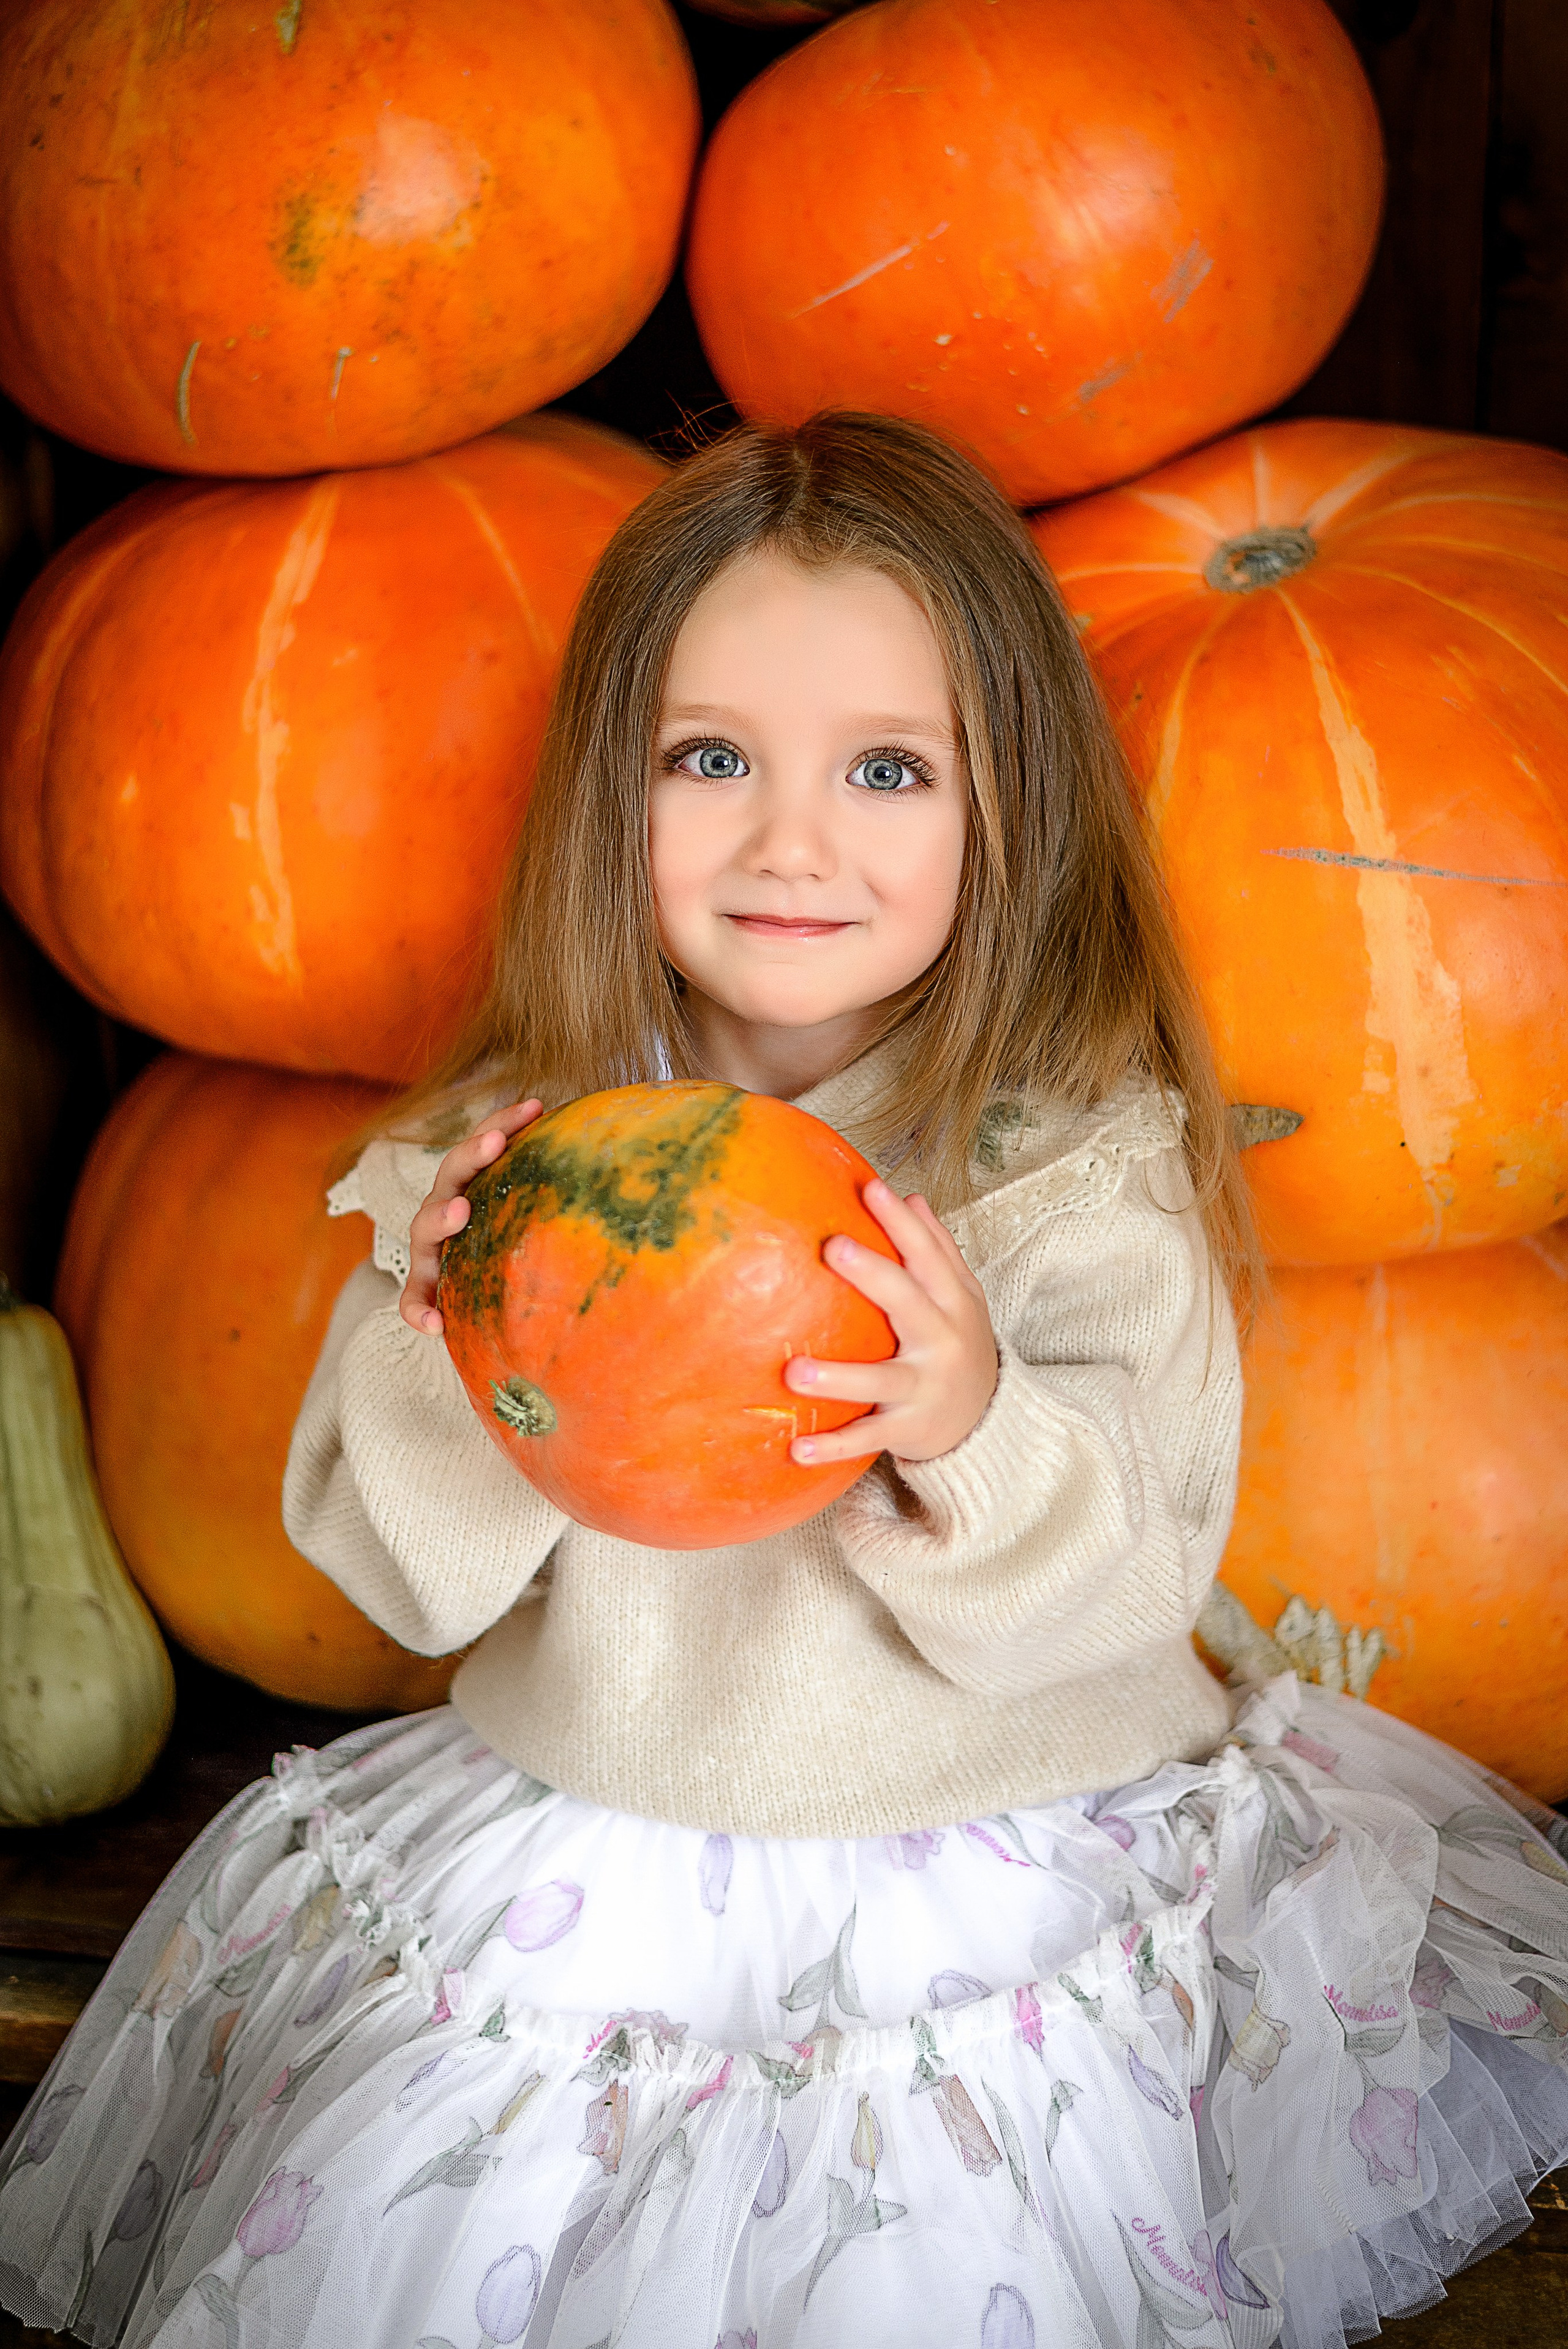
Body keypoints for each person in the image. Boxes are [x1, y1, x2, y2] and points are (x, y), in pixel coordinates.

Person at [4, 415, 1566, 2349]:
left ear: (1014, 811)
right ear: (611, 793)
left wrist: (969, 1420)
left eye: (889, 769)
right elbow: (406, 1579)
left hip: (991, 1852)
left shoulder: (1055, 1173)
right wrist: (461, 1341)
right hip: (614, 1840)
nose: (792, 839)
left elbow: (1124, 1586)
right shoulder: (506, 1166)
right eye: (711, 758)